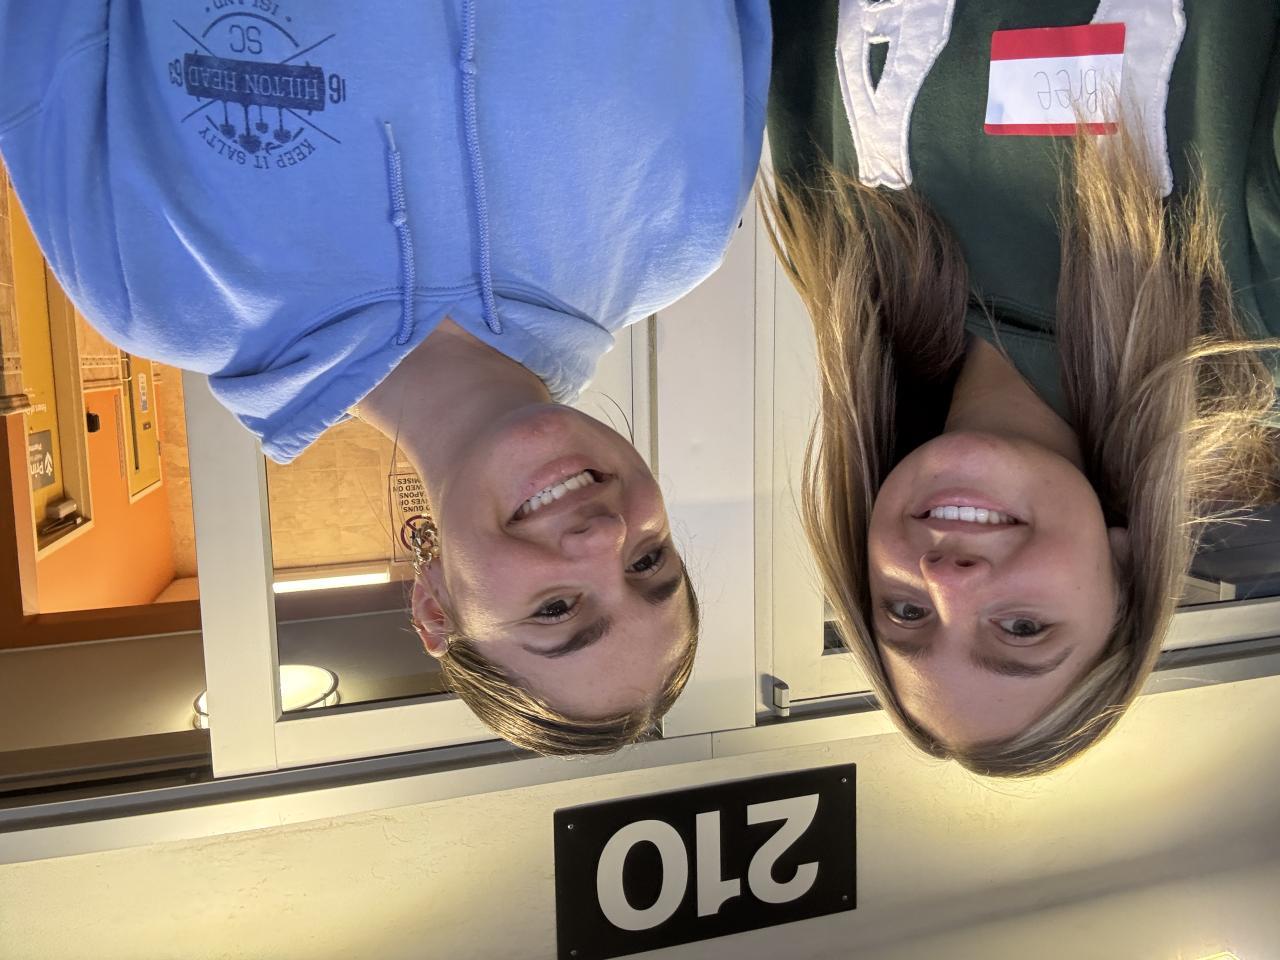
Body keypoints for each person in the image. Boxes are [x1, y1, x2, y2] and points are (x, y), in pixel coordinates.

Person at [0, 1, 770, 753]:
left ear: (435, 608)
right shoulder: (688, 224)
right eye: (649, 563)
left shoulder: (152, 289)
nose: (605, 539)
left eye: (555, 609)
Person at [764, 0, 1280, 775]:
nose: (947, 581)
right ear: (1125, 576)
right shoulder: (1250, 315)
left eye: (906, 611)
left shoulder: (841, 260)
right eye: (1023, 630)